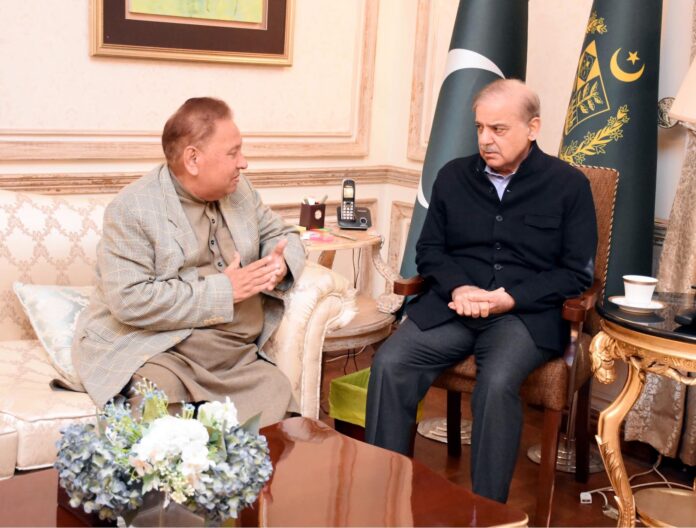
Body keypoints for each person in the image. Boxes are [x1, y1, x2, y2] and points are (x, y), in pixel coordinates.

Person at [365, 79, 597, 503]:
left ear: (532, 128)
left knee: (497, 383)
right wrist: (459, 287)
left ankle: (487, 511)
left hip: (523, 316)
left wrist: (511, 297)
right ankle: (383, 493)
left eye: (498, 129)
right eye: (480, 128)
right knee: (391, 362)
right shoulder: (453, 176)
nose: (486, 139)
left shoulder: (569, 186)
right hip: (454, 306)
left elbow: (575, 274)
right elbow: (429, 250)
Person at [72, 97, 306, 426]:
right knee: (160, 410)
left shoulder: (240, 192)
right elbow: (130, 299)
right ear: (193, 159)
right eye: (233, 153)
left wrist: (278, 264)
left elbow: (284, 235)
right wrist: (225, 291)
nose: (244, 163)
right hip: (163, 351)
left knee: (277, 398)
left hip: (234, 357)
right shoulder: (133, 209)